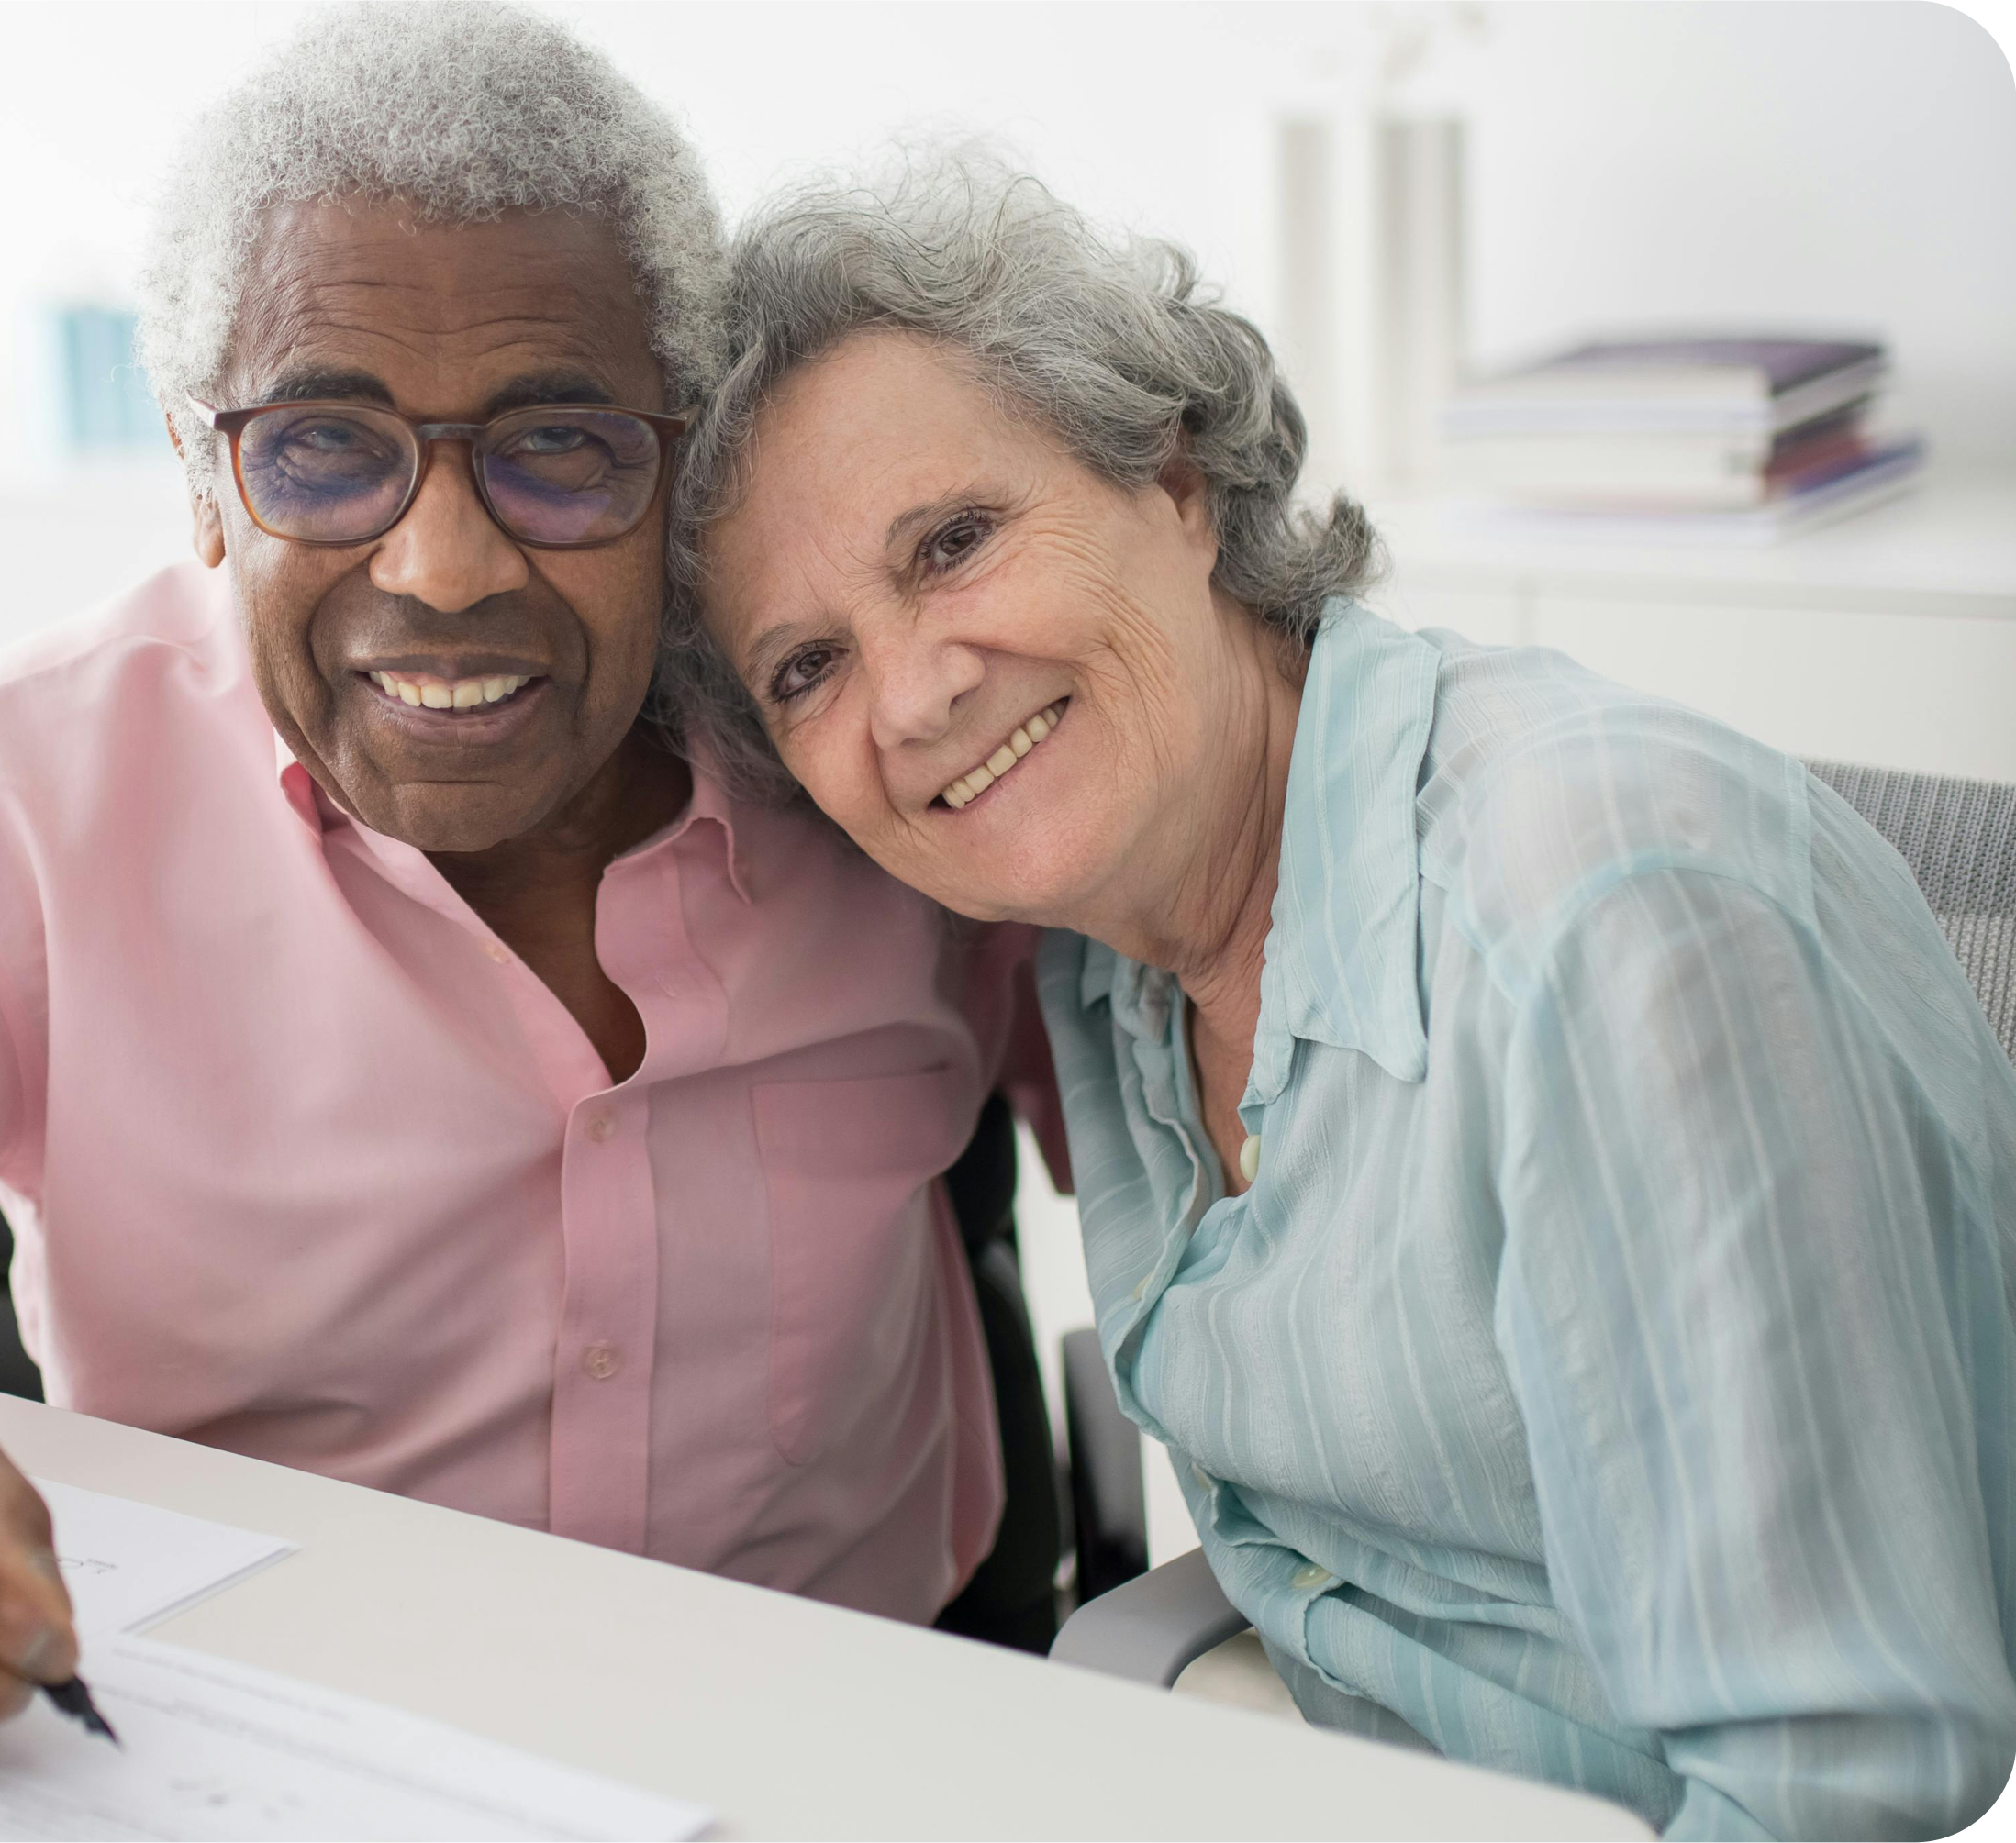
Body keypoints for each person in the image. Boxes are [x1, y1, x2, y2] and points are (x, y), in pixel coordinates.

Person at [0, 14, 1047, 1796]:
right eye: (322, 449)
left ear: (681, 462)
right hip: (253, 1775)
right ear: (197, 476)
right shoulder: (3, 801)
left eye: (559, 443)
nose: (445, 565)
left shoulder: (883, 737)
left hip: (868, 1749)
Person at [672, 149, 2016, 1842]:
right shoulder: (1112, 935)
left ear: (1170, 477)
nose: (918, 695)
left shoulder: (1603, 924)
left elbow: (1839, 1784)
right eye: (807, 668)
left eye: (951, 542)